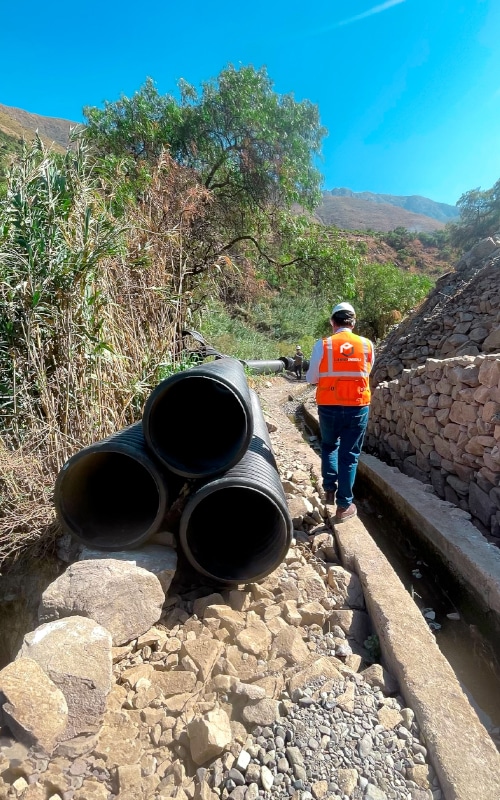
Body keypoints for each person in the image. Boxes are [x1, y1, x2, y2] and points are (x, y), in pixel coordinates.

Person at [306, 302, 374, 523]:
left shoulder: (323, 345)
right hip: (357, 406)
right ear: (353, 323)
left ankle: (329, 490)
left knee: (329, 446)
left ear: (332, 322)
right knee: (350, 456)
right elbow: (366, 371)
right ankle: (344, 506)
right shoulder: (366, 345)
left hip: (329, 405)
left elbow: (311, 378)